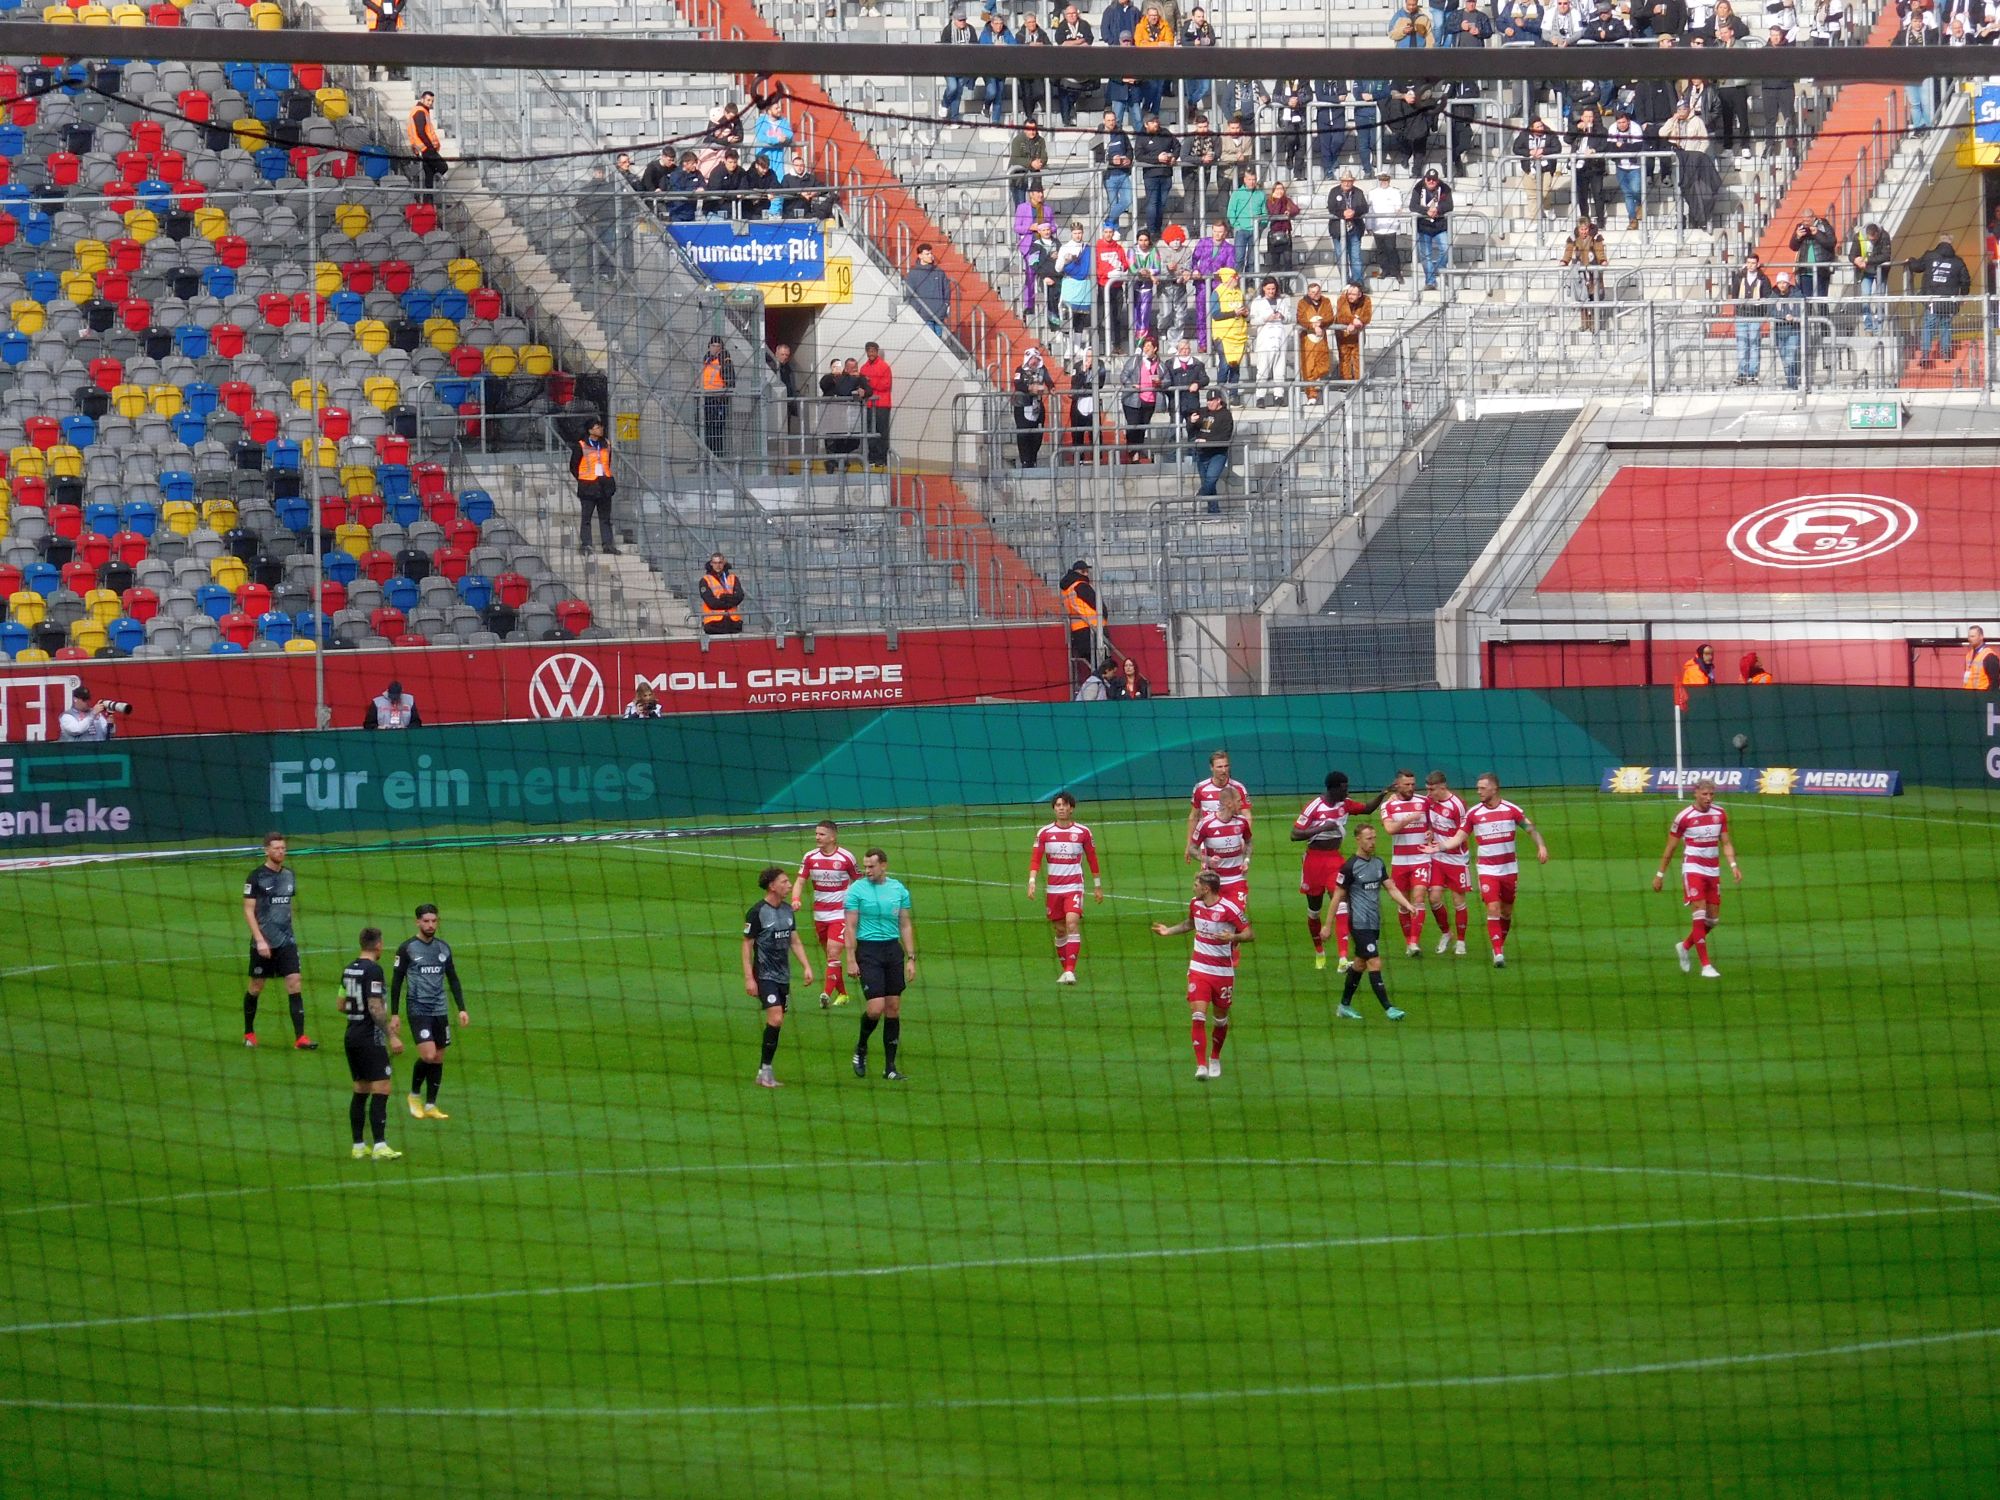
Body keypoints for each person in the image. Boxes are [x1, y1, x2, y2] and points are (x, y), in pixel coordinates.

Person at [1150, 868, 1251, 1081]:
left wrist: (1233, 936)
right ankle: (1201, 1065)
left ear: (1206, 889)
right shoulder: (1195, 904)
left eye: (1196, 885)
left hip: (1223, 972)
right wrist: (1168, 931)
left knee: (1220, 1020)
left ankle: (1215, 1057)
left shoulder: (1229, 908)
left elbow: (1249, 933)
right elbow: (1190, 924)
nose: (1193, 887)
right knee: (1198, 1016)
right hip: (1199, 969)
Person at [1289, 769, 1388, 970]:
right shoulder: (1315, 806)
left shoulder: (1346, 804)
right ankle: (1319, 952)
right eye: (1344, 788)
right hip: (1314, 862)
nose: (1347, 792)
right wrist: (1321, 828)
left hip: (1335, 859)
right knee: (1314, 911)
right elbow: (1294, 834)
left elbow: (1367, 809)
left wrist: (1383, 794)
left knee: (1342, 900)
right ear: (1332, 789)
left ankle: (1343, 958)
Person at [1654, 776, 1740, 980]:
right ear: (1696, 793)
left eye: (1711, 794)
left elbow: (1726, 843)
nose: (1709, 798)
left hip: (1713, 871)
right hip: (1693, 869)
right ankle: (1705, 965)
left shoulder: (1720, 814)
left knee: (1713, 920)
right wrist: (1660, 874)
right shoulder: (1684, 817)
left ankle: (1684, 946)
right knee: (1699, 916)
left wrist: (1734, 866)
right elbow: (1671, 847)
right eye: (1705, 794)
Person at [1333, 825, 1418, 1021]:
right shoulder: (1350, 866)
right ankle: (1389, 1008)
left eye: (1374, 838)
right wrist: (1328, 925)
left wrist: (1408, 905)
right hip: (1359, 923)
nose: (1372, 842)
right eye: (1368, 838)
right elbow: (1338, 896)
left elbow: (1391, 888)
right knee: (1374, 961)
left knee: (1359, 964)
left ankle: (1344, 1006)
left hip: (1374, 923)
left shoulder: (1378, 864)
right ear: (1358, 840)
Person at [392, 902, 468, 1121]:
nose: (430, 925)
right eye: (426, 921)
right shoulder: (407, 949)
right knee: (428, 1054)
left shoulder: (443, 948)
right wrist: (395, 1013)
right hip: (418, 1009)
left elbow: (453, 978)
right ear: (417, 922)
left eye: (434, 921)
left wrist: (462, 1008)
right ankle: (414, 1096)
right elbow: (397, 982)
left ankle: (431, 1104)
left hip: (440, 1009)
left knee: (438, 1058)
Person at [843, 848, 914, 1081]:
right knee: (875, 1009)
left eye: (872, 866)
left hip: (892, 950)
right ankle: (861, 1048)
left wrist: (911, 958)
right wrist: (851, 959)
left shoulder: (898, 889)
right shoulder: (856, 890)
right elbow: (850, 927)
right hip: (868, 951)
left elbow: (905, 925)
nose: (867, 870)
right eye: (865, 866)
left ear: (884, 865)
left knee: (893, 1007)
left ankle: (890, 1067)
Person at [1466, 772, 1550, 968]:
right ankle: (1498, 953)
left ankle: (1499, 944)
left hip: (1509, 869)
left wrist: (1542, 846)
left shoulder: (1512, 810)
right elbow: (1459, 836)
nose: (1478, 791)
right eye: (1477, 788)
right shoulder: (1474, 813)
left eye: (1482, 788)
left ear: (1494, 788)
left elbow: (1531, 829)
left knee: (1506, 911)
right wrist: (1440, 847)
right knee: (1493, 908)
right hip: (1487, 869)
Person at [744, 866, 813, 1088]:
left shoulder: (787, 911)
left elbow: (794, 940)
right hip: (764, 975)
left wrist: (806, 966)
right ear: (772, 886)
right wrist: (749, 978)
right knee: (775, 1018)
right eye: (784, 882)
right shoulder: (757, 912)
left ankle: (763, 1071)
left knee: (777, 1022)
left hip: (783, 976)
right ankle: (765, 1072)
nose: (790, 885)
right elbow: (747, 946)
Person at [243, 831, 312, 1049]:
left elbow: (287, 905)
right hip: (262, 943)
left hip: (286, 942)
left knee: (294, 982)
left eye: (283, 848)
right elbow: (248, 910)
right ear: (266, 850)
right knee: (256, 986)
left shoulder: (289, 875)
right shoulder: (255, 877)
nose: (280, 852)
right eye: (276, 848)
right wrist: (260, 940)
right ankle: (249, 1033)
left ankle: (300, 1037)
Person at [340, 928, 403, 1160]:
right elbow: (375, 1007)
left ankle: (358, 1146)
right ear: (379, 945)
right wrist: (391, 1035)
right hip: (369, 1038)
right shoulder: (374, 970)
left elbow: (340, 1003)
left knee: (360, 1089)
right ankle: (379, 1146)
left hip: (351, 1035)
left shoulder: (349, 969)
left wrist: (358, 1011)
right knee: (382, 1088)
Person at [1027, 791, 1104, 983]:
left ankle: (1070, 970)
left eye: (1065, 805)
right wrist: (1032, 881)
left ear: (1071, 808)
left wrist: (1097, 886)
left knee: (1072, 923)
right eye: (1058, 805)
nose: (1061, 808)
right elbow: (1036, 858)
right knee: (1060, 930)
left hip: (1074, 887)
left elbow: (1092, 859)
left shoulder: (1083, 832)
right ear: (1054, 808)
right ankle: (1065, 970)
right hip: (1053, 889)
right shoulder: (1044, 833)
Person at [794, 819, 860, 1007]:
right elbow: (800, 881)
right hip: (819, 915)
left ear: (833, 836)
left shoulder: (846, 858)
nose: (817, 837)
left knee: (833, 952)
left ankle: (826, 994)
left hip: (840, 914)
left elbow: (859, 881)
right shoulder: (810, 857)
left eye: (821, 834)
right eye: (816, 834)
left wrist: (853, 903)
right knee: (832, 958)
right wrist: (796, 899)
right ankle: (844, 994)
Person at [1379, 769, 1433, 957]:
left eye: (1413, 784)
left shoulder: (1424, 802)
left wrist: (1431, 833)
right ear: (1398, 784)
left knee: (1418, 898)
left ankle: (1414, 942)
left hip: (1421, 859)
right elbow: (1390, 829)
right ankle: (1408, 942)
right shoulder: (1388, 806)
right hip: (1400, 862)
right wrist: (1410, 818)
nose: (1411, 788)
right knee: (1403, 905)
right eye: (1407, 784)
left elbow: (1432, 824)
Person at [1421, 769, 1472, 955]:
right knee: (1433, 898)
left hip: (1456, 858)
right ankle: (1446, 933)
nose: (1429, 793)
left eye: (1432, 789)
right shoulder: (1429, 801)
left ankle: (1461, 941)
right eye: (1427, 789)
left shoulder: (1458, 805)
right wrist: (1430, 831)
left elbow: (1465, 831)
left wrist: (1445, 844)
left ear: (1443, 787)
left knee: (1458, 901)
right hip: (1436, 857)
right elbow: (1426, 818)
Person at [1187, 782, 1252, 912]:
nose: (1241, 804)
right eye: (1238, 801)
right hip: (1214, 882)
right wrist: (1207, 860)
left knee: (1237, 918)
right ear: (1229, 803)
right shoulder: (1206, 824)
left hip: (1236, 880)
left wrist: (1246, 860)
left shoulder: (1242, 822)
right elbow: (1192, 849)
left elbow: (1249, 842)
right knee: (1214, 921)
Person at [564, 415, 618, 555]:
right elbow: (573, 466)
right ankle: (586, 544)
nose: (600, 429)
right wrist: (582, 478)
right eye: (597, 427)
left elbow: (608, 462)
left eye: (601, 427)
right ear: (590, 430)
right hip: (588, 486)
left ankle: (608, 544)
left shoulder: (606, 443)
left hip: (604, 485)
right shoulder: (581, 445)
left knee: (605, 517)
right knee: (586, 517)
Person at [1916, 235, 1971, 368]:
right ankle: (1946, 352)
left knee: (1928, 327)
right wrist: (1962, 296)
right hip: (1949, 301)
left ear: (1939, 243)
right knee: (1945, 326)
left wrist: (1910, 261)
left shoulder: (1930, 256)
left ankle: (1925, 354)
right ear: (1951, 244)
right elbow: (1965, 281)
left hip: (1932, 301)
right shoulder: (1958, 262)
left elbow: (1917, 266)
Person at [1187, 387, 1234, 507]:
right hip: (1202, 452)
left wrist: (1207, 440)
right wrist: (1191, 422)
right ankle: (1213, 511)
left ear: (1218, 400)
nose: (1209, 403)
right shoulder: (1202, 412)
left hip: (1218, 453)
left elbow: (1225, 436)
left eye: (1212, 400)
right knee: (1208, 483)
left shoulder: (1226, 415)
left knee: (1210, 480)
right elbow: (1191, 430)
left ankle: (1199, 496)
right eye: (1208, 400)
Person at [1410, 164, 1452, 293]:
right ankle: (1430, 282)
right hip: (1423, 226)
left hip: (1440, 226)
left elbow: (1449, 205)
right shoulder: (1418, 188)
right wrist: (1426, 210)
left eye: (1434, 179)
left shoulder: (1445, 188)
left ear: (1437, 180)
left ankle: (1439, 269)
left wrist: (1438, 210)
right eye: (1429, 179)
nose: (1431, 182)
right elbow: (1413, 206)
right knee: (1426, 255)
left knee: (1446, 249)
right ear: (1425, 180)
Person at [1730, 251, 1770, 385]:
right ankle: (1742, 374)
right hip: (1741, 315)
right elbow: (1734, 294)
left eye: (1753, 263)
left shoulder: (1763, 279)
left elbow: (1766, 297)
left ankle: (1753, 374)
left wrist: (1762, 312)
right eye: (1748, 263)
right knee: (1742, 346)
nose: (1751, 265)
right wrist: (1737, 309)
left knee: (1754, 345)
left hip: (1755, 316)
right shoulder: (1739, 277)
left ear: (1757, 264)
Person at [1561, 218, 1607, 332]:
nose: (1584, 232)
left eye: (1585, 229)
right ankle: (1584, 323)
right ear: (1578, 228)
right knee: (1582, 298)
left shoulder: (1596, 237)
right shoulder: (1573, 238)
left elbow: (1599, 250)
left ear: (1589, 227)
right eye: (1581, 229)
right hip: (1579, 273)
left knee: (1593, 297)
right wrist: (1564, 261)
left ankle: (1594, 323)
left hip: (1592, 273)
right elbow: (1568, 251)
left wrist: (1602, 260)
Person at [1847, 221, 1891, 335]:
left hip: (1881, 272)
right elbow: (1851, 255)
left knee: (1879, 300)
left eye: (1874, 239)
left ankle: (1878, 327)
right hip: (1865, 272)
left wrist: (1867, 260)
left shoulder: (1884, 236)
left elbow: (1886, 255)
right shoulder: (1859, 236)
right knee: (1865, 299)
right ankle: (1868, 327)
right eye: (1870, 239)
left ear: (1877, 234)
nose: (1872, 241)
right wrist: (1855, 260)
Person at [1060, 559, 1101, 679]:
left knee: (1094, 665)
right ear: (1078, 572)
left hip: (1078, 631)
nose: (1087, 574)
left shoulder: (1067, 588)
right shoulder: (1080, 586)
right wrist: (1104, 614)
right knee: (1102, 664)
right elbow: (1096, 604)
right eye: (1084, 571)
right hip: (1091, 629)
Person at [1296, 280, 1334, 402]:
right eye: (1312, 292)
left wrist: (1321, 323)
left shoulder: (1326, 301)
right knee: (1308, 366)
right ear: (1308, 292)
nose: (1315, 294)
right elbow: (1300, 319)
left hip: (1321, 338)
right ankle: (1311, 395)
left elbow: (1330, 317)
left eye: (1317, 292)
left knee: (1324, 365)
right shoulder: (1302, 303)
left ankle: (1315, 380)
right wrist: (1312, 326)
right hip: (1308, 338)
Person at [1365, 166, 1405, 282]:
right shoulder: (1373, 193)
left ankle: (1396, 271)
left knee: (1391, 249)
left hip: (1390, 226)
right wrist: (1369, 226)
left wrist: (1396, 222)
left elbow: (1398, 208)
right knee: (1381, 250)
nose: (1384, 182)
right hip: (1378, 226)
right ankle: (1385, 270)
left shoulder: (1395, 192)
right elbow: (1370, 210)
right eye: (1382, 180)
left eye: (1386, 180)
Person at [858, 341, 893, 469]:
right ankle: (871, 457)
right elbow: (862, 385)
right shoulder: (863, 368)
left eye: (873, 351)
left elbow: (886, 385)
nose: (871, 353)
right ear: (866, 352)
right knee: (869, 432)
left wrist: (870, 383)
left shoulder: (884, 366)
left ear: (877, 352)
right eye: (869, 351)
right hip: (868, 405)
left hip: (882, 404)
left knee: (881, 432)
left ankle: (882, 458)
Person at [407, 89, 447, 202]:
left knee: (429, 173)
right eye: (428, 100)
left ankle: (428, 199)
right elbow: (421, 132)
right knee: (443, 167)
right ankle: (427, 195)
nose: (430, 103)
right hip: (425, 149)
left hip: (423, 148)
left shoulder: (422, 111)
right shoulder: (420, 112)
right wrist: (430, 146)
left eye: (432, 101)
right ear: (422, 99)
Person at [699, 336, 734, 453]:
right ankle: (707, 457)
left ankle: (717, 457)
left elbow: (729, 378)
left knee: (716, 431)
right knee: (705, 430)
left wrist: (724, 394)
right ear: (709, 347)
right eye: (713, 346)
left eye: (717, 346)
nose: (715, 348)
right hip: (706, 398)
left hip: (718, 399)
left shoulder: (724, 358)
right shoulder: (707, 358)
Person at [1332, 280, 1372, 382]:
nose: (1350, 296)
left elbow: (1367, 316)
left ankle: (1359, 381)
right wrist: (1353, 320)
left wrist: (1358, 322)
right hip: (1343, 335)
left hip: (1357, 334)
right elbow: (1342, 315)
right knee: (1344, 358)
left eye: (1353, 294)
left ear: (1359, 294)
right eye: (1349, 293)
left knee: (1358, 358)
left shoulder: (1366, 300)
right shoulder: (1342, 298)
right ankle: (1346, 382)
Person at [908, 242, 951, 332]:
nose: (930, 256)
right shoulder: (913, 274)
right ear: (920, 256)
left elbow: (946, 290)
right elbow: (910, 294)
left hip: (939, 315)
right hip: (925, 316)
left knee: (939, 341)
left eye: (931, 253)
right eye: (927, 254)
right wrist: (920, 310)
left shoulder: (939, 272)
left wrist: (945, 306)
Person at [700, 552, 744, 635]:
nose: (718, 565)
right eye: (715, 563)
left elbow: (739, 597)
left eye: (720, 562)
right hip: (713, 625)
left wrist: (723, 598)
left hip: (733, 624)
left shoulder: (733, 578)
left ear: (724, 563)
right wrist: (729, 602)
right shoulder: (705, 580)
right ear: (711, 564)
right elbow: (711, 603)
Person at [1962, 626, 1999, 690]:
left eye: (1973, 636)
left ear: (1981, 637)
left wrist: (1988, 697)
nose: (1970, 639)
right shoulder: (1969, 655)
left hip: (1982, 696)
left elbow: (1995, 681)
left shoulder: (1989, 656)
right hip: (1968, 695)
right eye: (1969, 636)